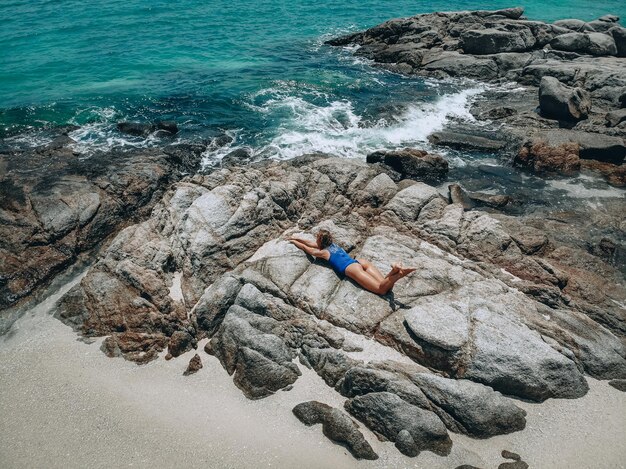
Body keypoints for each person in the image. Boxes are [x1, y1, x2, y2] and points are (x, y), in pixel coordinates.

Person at [287, 229, 415, 295]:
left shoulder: (324, 253)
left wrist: (294, 242)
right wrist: (296, 237)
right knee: (386, 287)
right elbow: (311, 244)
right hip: (361, 262)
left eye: (317, 238)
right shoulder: (333, 245)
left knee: (381, 290)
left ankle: (400, 274)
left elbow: (308, 249)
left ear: (320, 240)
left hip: (352, 268)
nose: (315, 240)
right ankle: (394, 269)